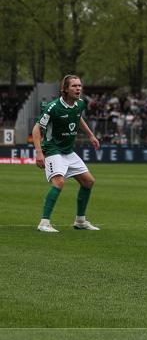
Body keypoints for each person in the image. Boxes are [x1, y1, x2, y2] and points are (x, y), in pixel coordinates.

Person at [32, 75, 102, 233]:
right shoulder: (53, 107)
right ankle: (44, 223)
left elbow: (78, 118)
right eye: (74, 86)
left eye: (80, 86)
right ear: (65, 89)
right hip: (52, 149)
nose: (78, 88)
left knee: (88, 181)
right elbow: (37, 128)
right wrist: (39, 152)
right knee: (59, 182)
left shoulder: (80, 104)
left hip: (68, 151)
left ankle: (80, 221)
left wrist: (91, 135)